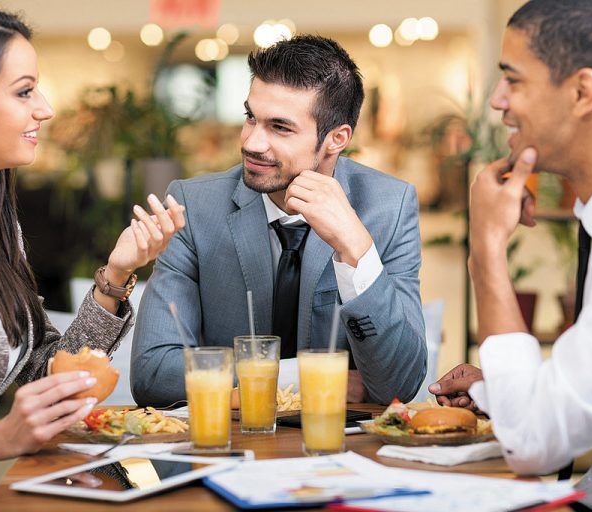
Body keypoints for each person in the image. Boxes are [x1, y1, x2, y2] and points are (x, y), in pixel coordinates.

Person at [0, 4, 185, 511]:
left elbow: (46, 371)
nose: (45, 108)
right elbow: (6, 428)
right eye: (24, 91)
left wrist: (117, 273)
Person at [429, 1, 592, 510]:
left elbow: (533, 441)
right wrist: (502, 389)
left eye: (513, 80)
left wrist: (486, 251)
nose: (497, 103)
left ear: (581, 92)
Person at [132, 35, 426, 406]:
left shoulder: (389, 207)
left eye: (280, 127)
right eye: (251, 118)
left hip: (343, 455)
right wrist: (302, 377)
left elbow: (400, 384)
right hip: (227, 448)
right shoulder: (195, 206)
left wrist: (356, 249)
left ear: (336, 139)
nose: (253, 143)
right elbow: (153, 374)